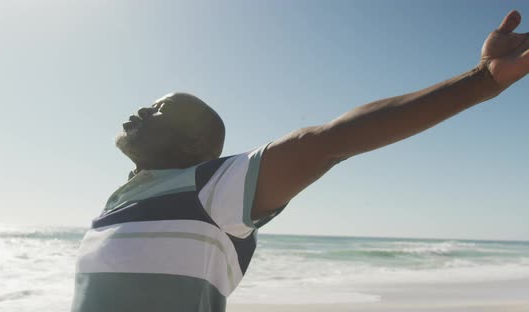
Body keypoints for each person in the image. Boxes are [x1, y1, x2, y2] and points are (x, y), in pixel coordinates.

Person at [71, 10, 529, 312]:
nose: (142, 112)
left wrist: (481, 81)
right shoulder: (114, 208)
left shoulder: (211, 189)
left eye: (161, 111)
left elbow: (327, 141)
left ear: (195, 147)